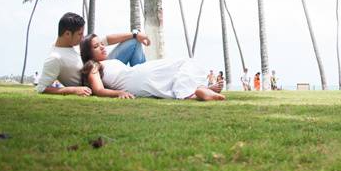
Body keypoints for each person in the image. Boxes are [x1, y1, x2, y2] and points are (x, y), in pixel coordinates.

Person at [80, 34, 225, 101]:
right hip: (135, 79)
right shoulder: (93, 65)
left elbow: (112, 39)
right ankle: (194, 92)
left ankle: (197, 91)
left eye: (102, 44)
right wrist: (118, 93)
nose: (102, 47)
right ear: (89, 53)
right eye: (96, 46)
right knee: (180, 65)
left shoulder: (110, 62)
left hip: (138, 72)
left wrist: (135, 34)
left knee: (182, 63)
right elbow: (98, 90)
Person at [35, 12, 150, 95]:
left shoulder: (74, 45)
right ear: (67, 34)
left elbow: (106, 40)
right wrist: (73, 90)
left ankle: (144, 74)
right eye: (80, 34)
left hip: (100, 66)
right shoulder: (55, 58)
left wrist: (135, 34)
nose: (82, 37)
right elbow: (42, 88)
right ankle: (144, 81)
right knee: (133, 43)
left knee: (133, 41)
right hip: (96, 78)